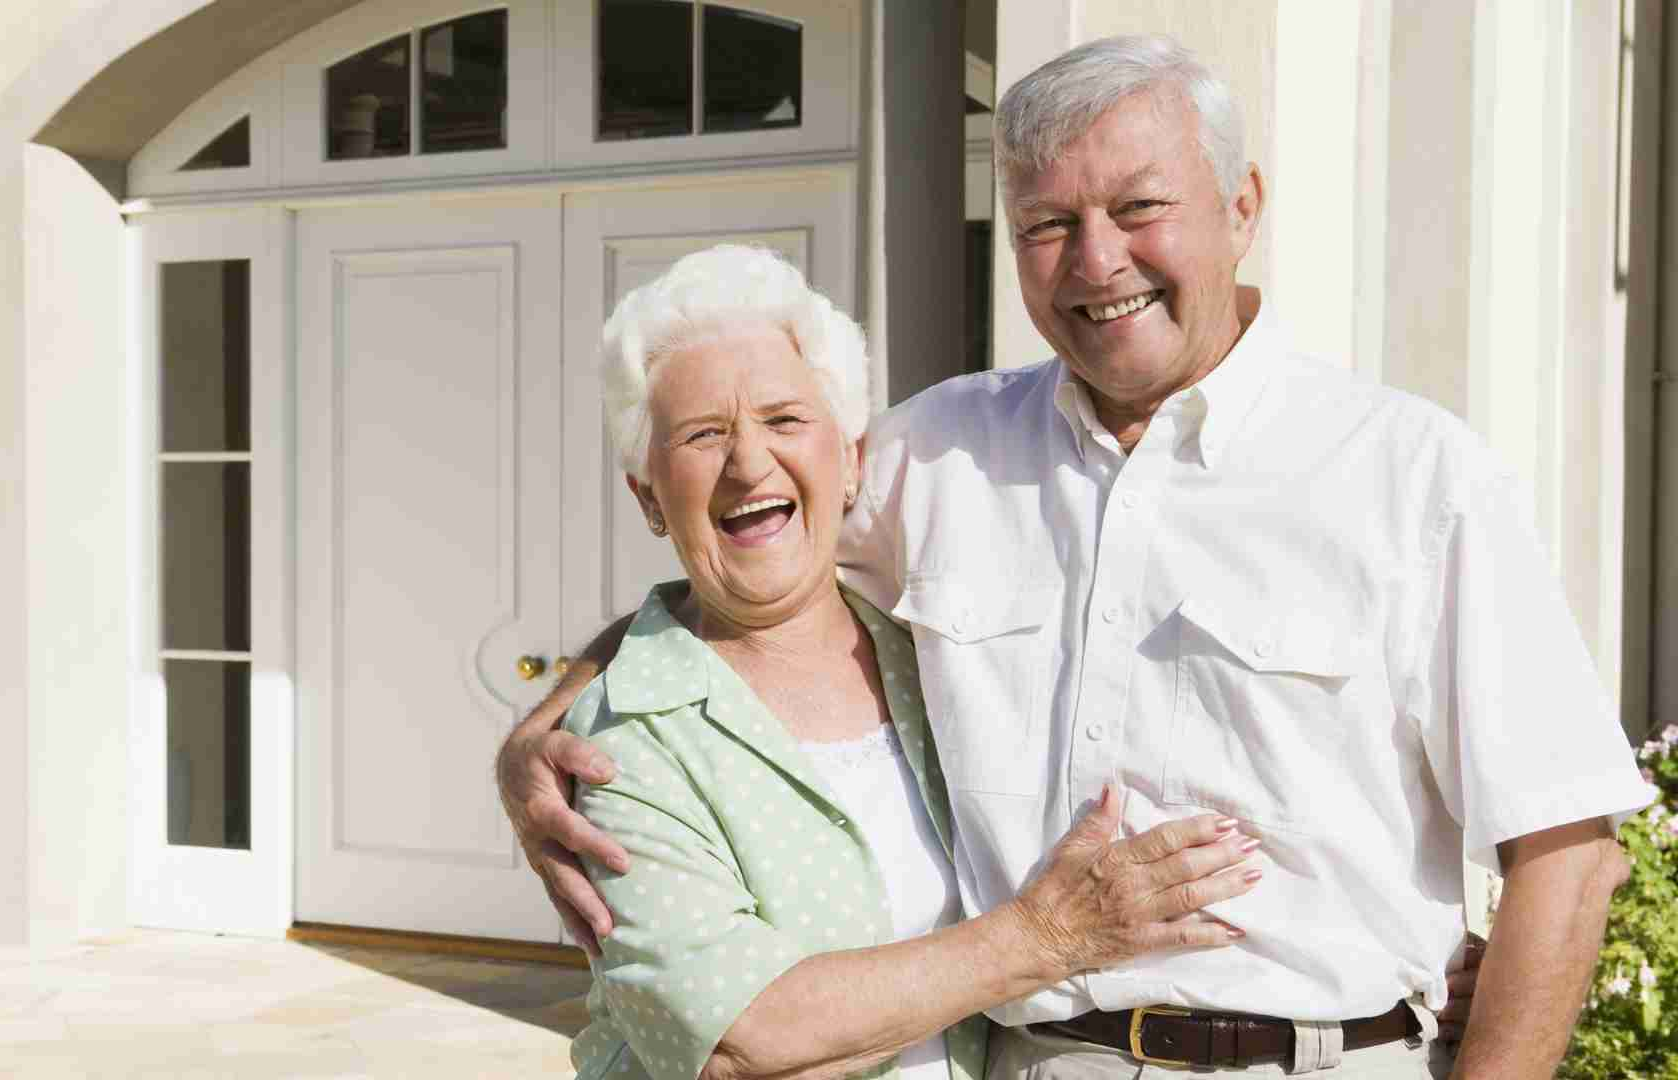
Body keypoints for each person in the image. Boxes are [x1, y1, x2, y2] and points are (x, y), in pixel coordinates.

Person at [504, 35, 1638, 1079]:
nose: (1097, 262)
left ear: (1242, 207)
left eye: (1141, 207)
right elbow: (747, 558)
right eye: (1047, 225)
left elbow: (1567, 855)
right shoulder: (936, 453)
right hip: (1033, 1058)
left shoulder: (1414, 476)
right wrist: (557, 715)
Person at [561, 243, 1262, 1080]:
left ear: (854, 458)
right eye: (704, 435)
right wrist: (1044, 937)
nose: (750, 463)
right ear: (648, 496)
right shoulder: (622, 737)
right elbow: (741, 1039)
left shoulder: (934, 654)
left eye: (784, 420)